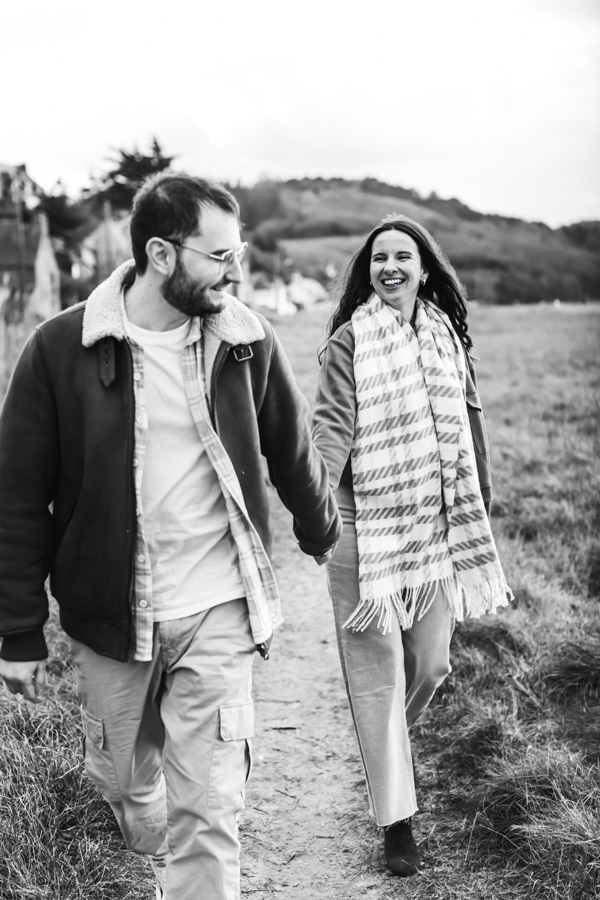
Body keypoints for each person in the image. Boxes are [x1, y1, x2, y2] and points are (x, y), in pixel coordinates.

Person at [0, 172, 342, 900]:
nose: (236, 269)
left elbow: (291, 444)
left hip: (220, 607)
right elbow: (18, 498)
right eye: (218, 255)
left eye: (237, 251)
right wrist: (19, 631)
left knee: (210, 813)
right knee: (127, 789)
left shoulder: (244, 338)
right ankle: (143, 802)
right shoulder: (60, 348)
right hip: (111, 614)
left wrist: (321, 529)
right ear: (161, 253)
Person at [312, 214, 512, 877]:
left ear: (425, 267)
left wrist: (479, 497)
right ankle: (398, 819)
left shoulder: (446, 337)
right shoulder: (349, 342)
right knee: (376, 679)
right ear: (366, 272)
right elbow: (332, 427)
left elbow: (470, 417)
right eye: (379, 259)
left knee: (430, 667)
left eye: (404, 256)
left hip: (433, 526)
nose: (391, 266)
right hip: (361, 526)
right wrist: (315, 510)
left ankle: (385, 751)